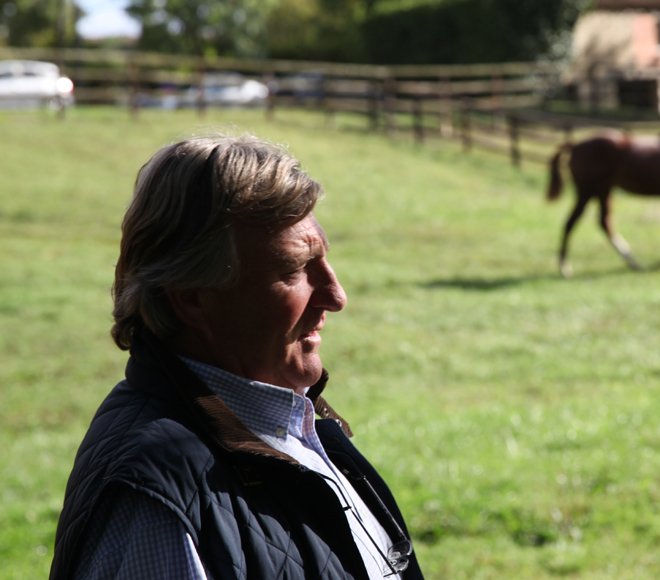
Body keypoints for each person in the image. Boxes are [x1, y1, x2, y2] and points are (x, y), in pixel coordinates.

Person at [50, 135, 423, 579]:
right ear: (192, 297)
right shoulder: (156, 500)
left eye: (324, 260)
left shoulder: (290, 431)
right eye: (293, 269)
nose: (335, 296)